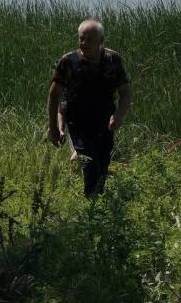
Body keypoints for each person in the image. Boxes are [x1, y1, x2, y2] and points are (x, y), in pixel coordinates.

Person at [48, 20, 132, 198]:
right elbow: (54, 95)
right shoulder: (68, 62)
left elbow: (125, 93)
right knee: (90, 162)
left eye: (89, 40)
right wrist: (54, 127)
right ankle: (90, 203)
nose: (84, 44)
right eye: (81, 39)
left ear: (101, 40)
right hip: (78, 120)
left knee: (102, 163)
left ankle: (96, 203)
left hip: (104, 120)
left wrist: (119, 115)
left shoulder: (112, 60)